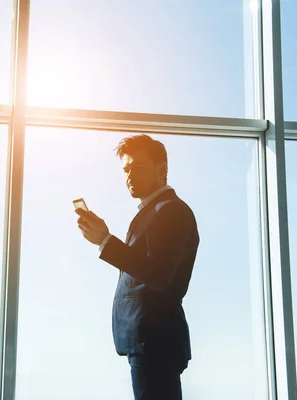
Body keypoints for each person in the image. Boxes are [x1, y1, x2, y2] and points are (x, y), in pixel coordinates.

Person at [75, 134, 200, 400]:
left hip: (155, 341)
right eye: (126, 169)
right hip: (149, 342)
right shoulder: (154, 212)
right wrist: (106, 241)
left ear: (162, 170)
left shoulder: (170, 211)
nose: (130, 175)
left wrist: (105, 241)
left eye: (138, 168)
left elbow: (158, 273)